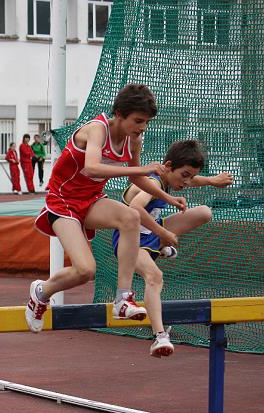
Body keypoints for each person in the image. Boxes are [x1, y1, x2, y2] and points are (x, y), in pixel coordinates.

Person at [24, 84, 188, 333]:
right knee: (85, 270)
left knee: (131, 216)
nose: (142, 127)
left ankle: (123, 298)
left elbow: (136, 179)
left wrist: (167, 196)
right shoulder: (97, 129)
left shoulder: (134, 139)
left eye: (146, 122)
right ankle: (41, 292)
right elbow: (92, 167)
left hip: (91, 200)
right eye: (138, 121)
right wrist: (143, 168)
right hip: (63, 201)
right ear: (120, 114)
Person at [111, 139, 233, 357]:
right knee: (155, 276)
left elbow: (194, 180)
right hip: (130, 243)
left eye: (190, 176)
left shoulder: (172, 179)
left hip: (152, 233)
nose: (187, 182)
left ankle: (161, 248)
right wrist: (164, 234)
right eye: (184, 175)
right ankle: (160, 336)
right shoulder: (154, 182)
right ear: (168, 166)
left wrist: (213, 181)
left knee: (204, 212)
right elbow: (137, 207)